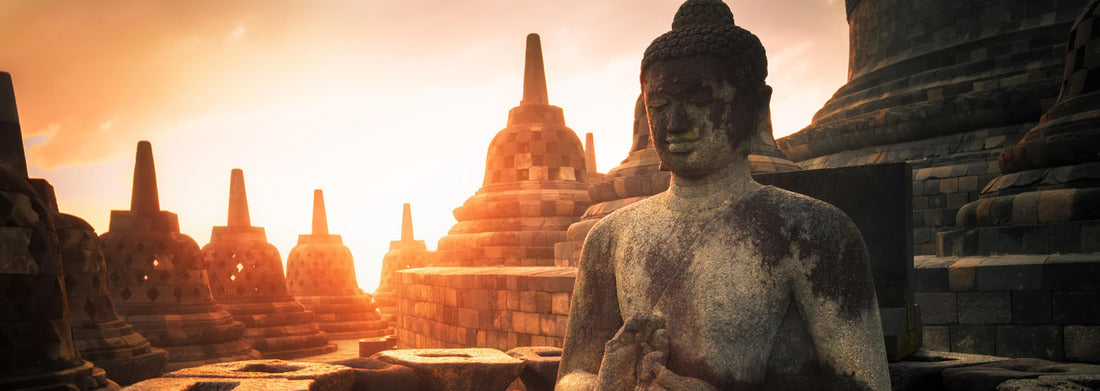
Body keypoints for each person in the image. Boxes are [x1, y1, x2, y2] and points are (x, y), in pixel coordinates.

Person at [555, 1, 891, 390]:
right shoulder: (609, 238)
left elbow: (864, 385)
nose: (676, 124)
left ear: (757, 108)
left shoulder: (813, 233)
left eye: (702, 102)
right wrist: (601, 386)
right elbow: (570, 374)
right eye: (660, 106)